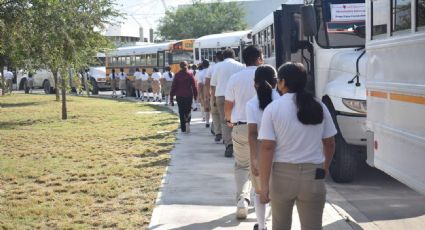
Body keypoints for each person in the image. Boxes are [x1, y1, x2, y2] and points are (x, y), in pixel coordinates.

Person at [258, 62, 337, 230]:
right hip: (314, 175)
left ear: (283, 82)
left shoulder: (272, 109)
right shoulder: (319, 106)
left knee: (280, 226)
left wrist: (264, 184)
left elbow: (267, 148)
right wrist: (325, 167)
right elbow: (329, 143)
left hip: (281, 176)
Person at [224, 45, 263, 219]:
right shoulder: (268, 73)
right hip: (264, 127)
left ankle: (242, 199)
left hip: (241, 126)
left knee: (242, 165)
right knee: (263, 164)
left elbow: (228, 104)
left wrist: (228, 120)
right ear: (259, 58)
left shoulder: (235, 78)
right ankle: (261, 198)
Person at [246, 65, 280, 230]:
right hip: (281, 148)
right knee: (278, 191)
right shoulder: (281, 100)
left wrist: (253, 159)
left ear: (255, 83)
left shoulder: (251, 104)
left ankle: (261, 225)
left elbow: (252, 134)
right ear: (276, 82)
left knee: (260, 192)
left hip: (260, 149)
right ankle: (277, 223)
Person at [211, 48, 245, 157]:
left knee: (224, 120)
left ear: (223, 56)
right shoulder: (241, 66)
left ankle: (229, 144)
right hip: (237, 95)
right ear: (234, 55)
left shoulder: (218, 66)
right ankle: (238, 143)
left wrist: (213, 99)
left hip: (221, 96)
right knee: (237, 119)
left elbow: (213, 84)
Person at [170, 61, 197, 133]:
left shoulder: (177, 75)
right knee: (188, 110)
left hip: (179, 96)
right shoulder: (190, 74)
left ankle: (183, 128)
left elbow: (173, 87)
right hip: (188, 95)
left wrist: (171, 98)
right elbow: (194, 86)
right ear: (187, 66)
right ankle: (188, 122)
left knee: (181, 111)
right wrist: (195, 96)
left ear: (180, 67)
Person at [205, 51, 223, 142]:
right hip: (228, 93)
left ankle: (218, 133)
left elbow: (207, 82)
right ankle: (226, 135)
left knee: (215, 114)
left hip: (215, 92)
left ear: (216, 58)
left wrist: (208, 94)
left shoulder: (212, 68)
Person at [197, 60, 210, 128]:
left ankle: (207, 122)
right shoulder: (212, 70)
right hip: (213, 88)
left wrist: (198, 94)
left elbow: (199, 85)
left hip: (205, 89)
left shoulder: (201, 73)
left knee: (206, 106)